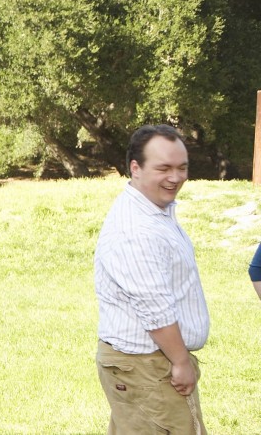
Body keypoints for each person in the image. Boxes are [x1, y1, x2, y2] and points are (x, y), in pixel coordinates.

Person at [94, 124, 208, 434]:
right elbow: (154, 308)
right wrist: (181, 361)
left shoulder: (154, 212)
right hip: (149, 365)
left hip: (147, 365)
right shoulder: (135, 230)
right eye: (164, 168)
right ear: (136, 168)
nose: (176, 177)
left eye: (182, 167)